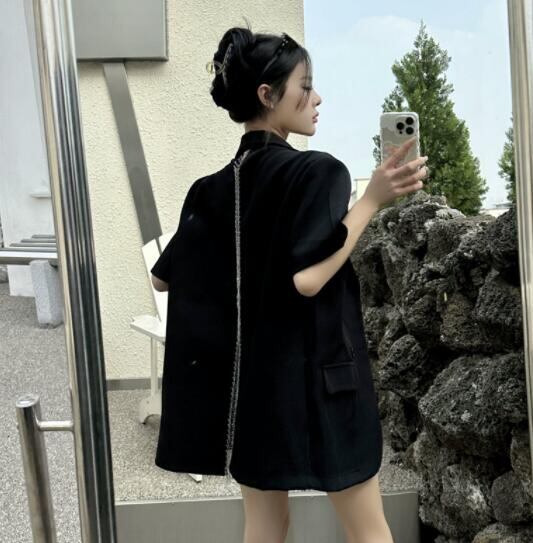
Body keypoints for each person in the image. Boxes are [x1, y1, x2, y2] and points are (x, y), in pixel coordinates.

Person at [151, 22, 429, 543]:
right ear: (267, 94)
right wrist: (372, 200)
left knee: (265, 526)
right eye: (306, 86)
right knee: (369, 530)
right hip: (324, 384)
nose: (316, 98)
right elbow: (309, 278)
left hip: (252, 390)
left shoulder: (210, 189)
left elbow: (162, 279)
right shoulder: (317, 173)